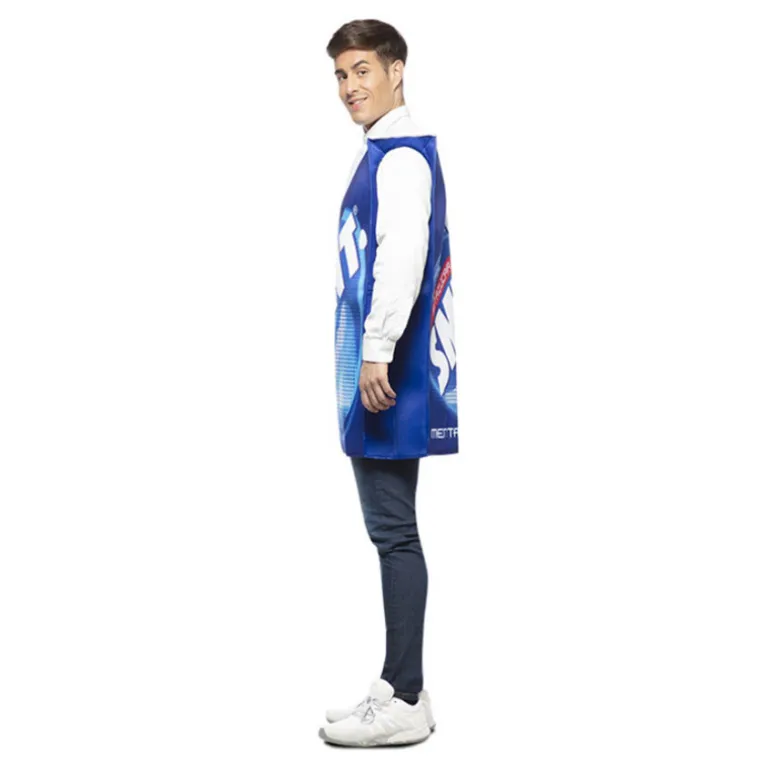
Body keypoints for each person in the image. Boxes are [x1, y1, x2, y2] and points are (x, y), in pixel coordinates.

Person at [320, 19, 459, 748]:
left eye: (362, 71)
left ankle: (404, 698)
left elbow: (402, 256)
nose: (350, 87)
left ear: (396, 70)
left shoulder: (400, 158)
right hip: (381, 368)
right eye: (341, 75)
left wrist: (375, 351)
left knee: (393, 531)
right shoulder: (385, 150)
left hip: (388, 372)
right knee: (391, 528)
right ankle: (400, 682)